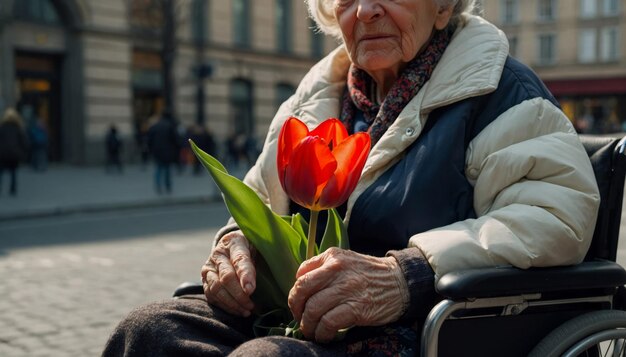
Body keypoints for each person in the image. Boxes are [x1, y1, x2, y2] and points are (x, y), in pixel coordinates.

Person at [103, 0, 600, 355]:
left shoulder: (501, 93)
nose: (365, 10)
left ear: (445, 7)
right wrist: (235, 247)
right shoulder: (316, 98)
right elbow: (257, 198)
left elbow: (555, 215)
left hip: (422, 332)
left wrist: (409, 274)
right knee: (147, 332)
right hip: (298, 320)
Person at [147, 113, 179, 194]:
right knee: (167, 169)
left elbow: (149, 140)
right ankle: (168, 186)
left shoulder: (155, 126)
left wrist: (151, 150)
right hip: (167, 151)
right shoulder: (170, 126)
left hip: (157, 151)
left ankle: (158, 186)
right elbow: (175, 139)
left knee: (158, 169)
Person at [0, 108, 29, 196]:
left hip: (2, 153)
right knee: (13, 172)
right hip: (14, 153)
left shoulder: (2, 128)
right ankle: (13, 190)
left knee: (1, 172)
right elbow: (24, 142)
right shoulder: (18, 128)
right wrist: (24, 152)